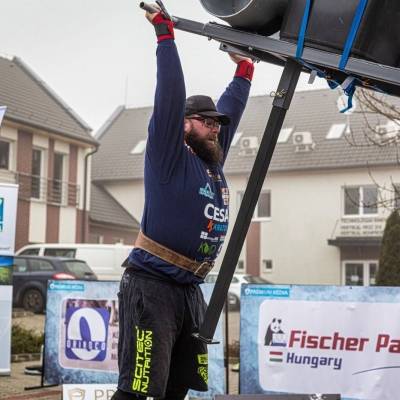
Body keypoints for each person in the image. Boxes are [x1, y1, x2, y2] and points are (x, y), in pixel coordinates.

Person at [111, 5, 254, 400]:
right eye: (207, 121)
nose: (215, 127)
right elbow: (170, 94)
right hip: (152, 287)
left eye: (216, 123)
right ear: (184, 123)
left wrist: (244, 71)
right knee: (139, 390)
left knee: (177, 390)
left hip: (189, 291)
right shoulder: (169, 155)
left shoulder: (211, 161)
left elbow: (232, 108)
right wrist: (165, 35)